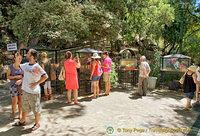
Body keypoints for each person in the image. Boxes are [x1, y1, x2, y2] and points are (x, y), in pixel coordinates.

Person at [13, 49, 48, 131]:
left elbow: (45, 76)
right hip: (26, 91)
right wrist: (17, 58)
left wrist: (36, 83)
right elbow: (18, 65)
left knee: (35, 108)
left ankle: (37, 123)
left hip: (34, 92)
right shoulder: (26, 65)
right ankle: (23, 121)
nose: (26, 54)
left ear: (32, 56)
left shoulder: (37, 66)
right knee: (24, 107)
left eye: (28, 53)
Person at [6, 52, 23, 120]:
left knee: (20, 101)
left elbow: (25, 76)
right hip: (13, 86)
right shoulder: (11, 66)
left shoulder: (22, 66)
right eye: (17, 58)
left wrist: (21, 80)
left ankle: (20, 114)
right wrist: (16, 77)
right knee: (14, 101)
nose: (19, 59)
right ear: (14, 58)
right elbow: (8, 76)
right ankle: (12, 113)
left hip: (21, 86)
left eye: (20, 58)